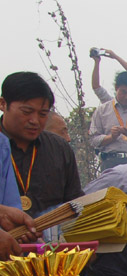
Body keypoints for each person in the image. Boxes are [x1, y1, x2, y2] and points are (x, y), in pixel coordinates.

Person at [0, 72, 82, 216]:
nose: (35, 121)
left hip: (51, 237)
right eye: (27, 112)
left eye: (43, 114)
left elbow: (74, 202)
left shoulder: (59, 148)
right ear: (3, 104)